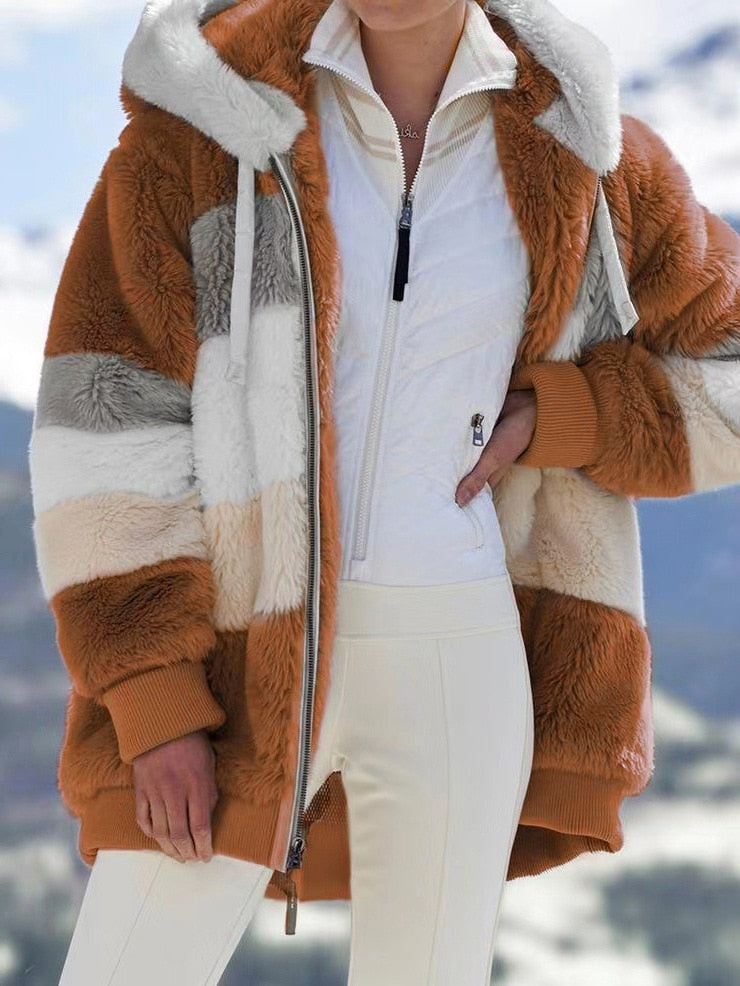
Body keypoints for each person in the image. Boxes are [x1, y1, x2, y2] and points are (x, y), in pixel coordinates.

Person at [27, 0, 740, 982]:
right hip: (234, 661)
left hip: (458, 658)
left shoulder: (585, 151)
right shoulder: (208, 117)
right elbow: (103, 416)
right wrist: (152, 696)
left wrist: (571, 415)